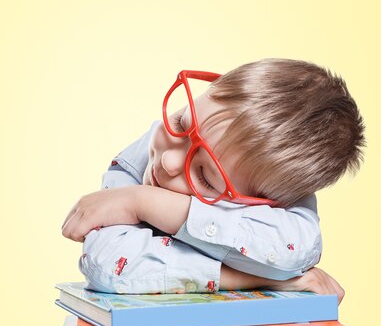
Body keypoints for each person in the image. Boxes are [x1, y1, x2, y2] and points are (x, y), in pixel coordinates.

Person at [61, 59, 365, 302]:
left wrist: (143, 203)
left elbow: (297, 250)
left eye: (205, 176)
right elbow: (107, 264)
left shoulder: (282, 190)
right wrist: (261, 279)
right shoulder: (141, 157)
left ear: (264, 204)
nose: (169, 161)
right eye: (183, 122)